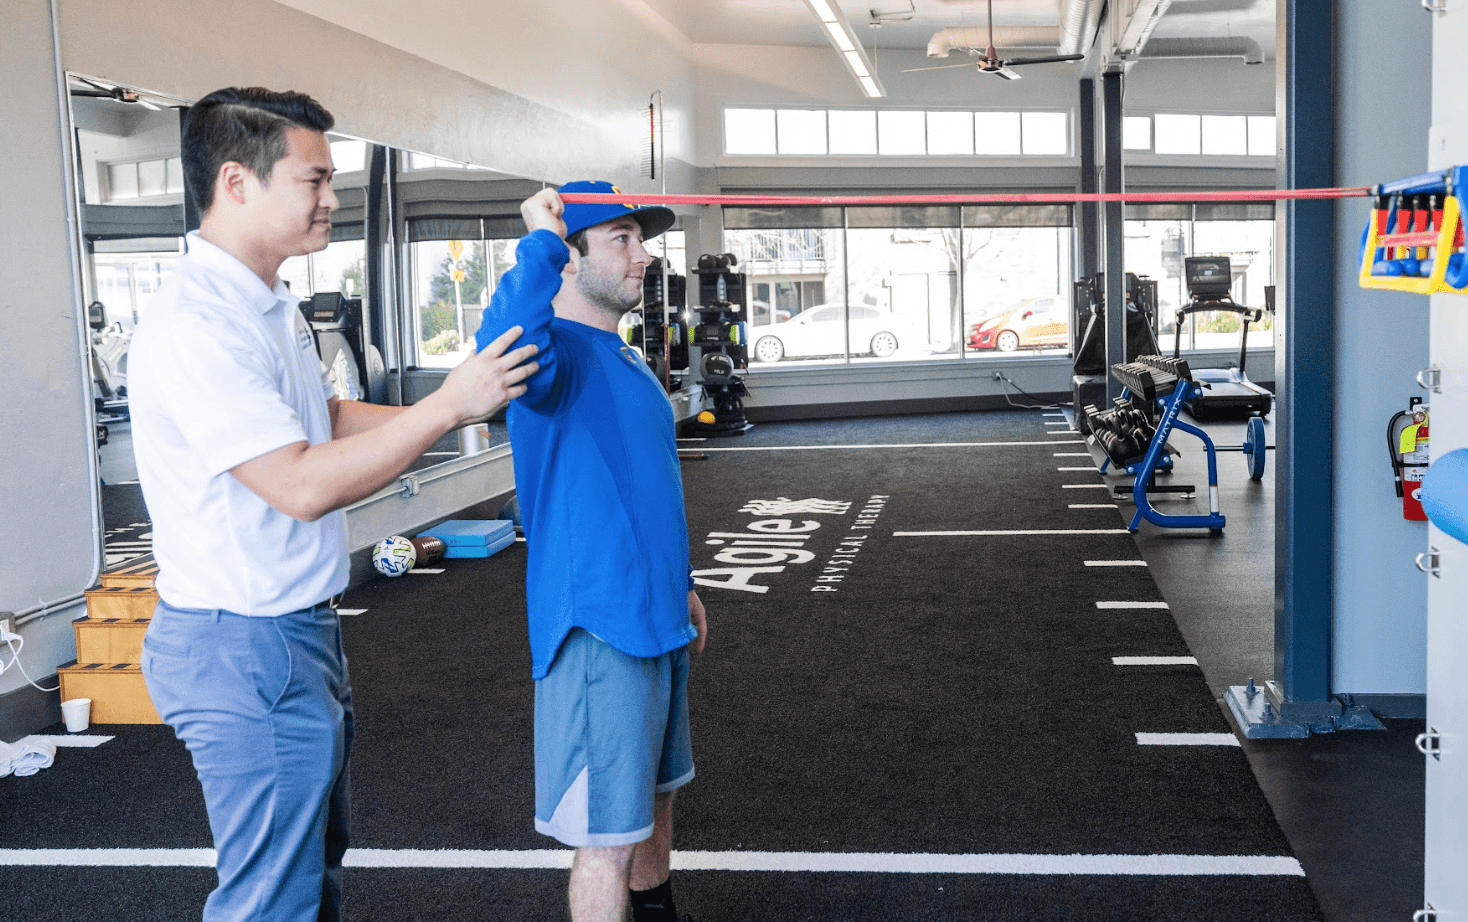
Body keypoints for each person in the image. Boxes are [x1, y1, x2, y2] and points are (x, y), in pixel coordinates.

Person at [128, 86, 538, 922]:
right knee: (272, 901)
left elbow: (326, 420)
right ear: (236, 182)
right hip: (244, 644)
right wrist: (446, 407)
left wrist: (480, 407)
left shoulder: (269, 301)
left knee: (312, 876)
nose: (332, 199)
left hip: (294, 631)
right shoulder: (197, 323)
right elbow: (301, 483)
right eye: (314, 180)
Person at [474, 182, 708, 922]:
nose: (643, 256)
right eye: (621, 240)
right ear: (571, 260)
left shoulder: (622, 357)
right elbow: (498, 339)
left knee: (656, 805)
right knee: (605, 842)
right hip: (598, 630)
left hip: (659, 617)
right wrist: (539, 240)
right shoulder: (552, 362)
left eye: (641, 240)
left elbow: (648, 488)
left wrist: (683, 583)